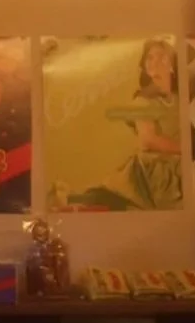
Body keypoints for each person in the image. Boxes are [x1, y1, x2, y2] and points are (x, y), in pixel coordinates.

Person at [53, 39, 183, 211]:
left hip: (178, 164)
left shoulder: (179, 99)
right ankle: (69, 199)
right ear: (145, 66)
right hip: (155, 171)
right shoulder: (143, 100)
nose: (155, 61)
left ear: (173, 64)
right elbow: (148, 140)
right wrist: (184, 149)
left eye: (161, 57)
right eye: (150, 58)